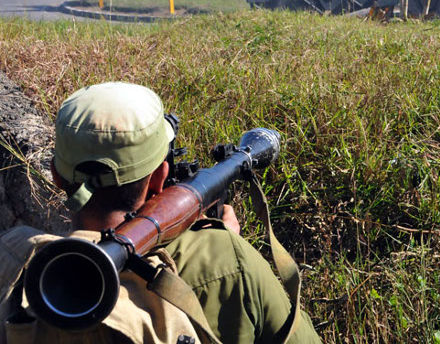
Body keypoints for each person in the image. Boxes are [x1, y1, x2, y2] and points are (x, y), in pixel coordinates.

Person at [0, 82, 322, 344]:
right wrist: (223, 247)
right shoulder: (226, 260)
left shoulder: (12, 259)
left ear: (56, 176)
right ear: (159, 176)